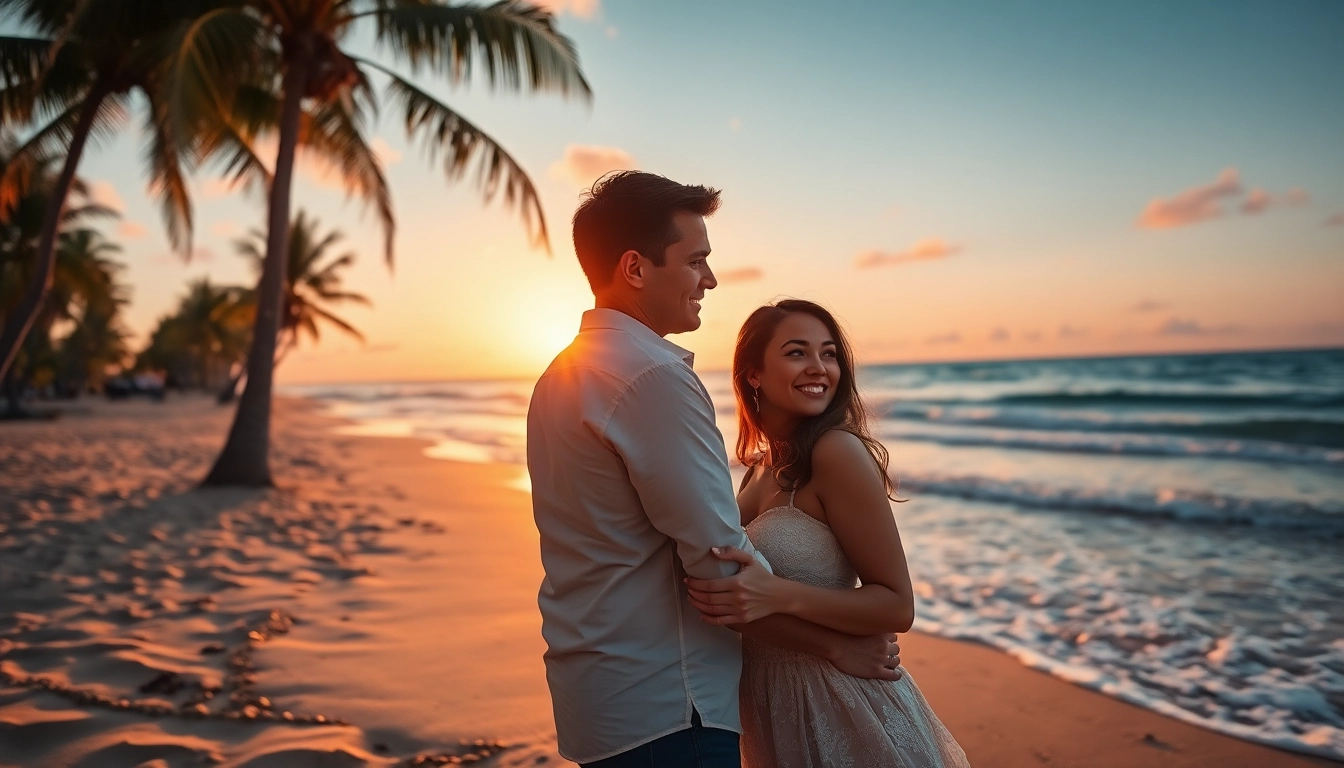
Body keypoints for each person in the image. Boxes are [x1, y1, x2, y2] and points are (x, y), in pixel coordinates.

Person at [527, 174, 905, 768]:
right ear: (635, 268)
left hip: (599, 695)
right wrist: (834, 646)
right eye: (696, 260)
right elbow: (721, 575)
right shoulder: (653, 378)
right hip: (669, 703)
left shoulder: (559, 378)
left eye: (829, 352)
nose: (710, 279)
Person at [686, 299, 970, 767]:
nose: (819, 368)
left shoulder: (836, 452)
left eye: (830, 353)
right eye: (797, 352)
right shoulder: (755, 471)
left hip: (842, 699)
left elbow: (896, 605)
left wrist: (779, 594)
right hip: (771, 702)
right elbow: (731, 602)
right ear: (753, 373)